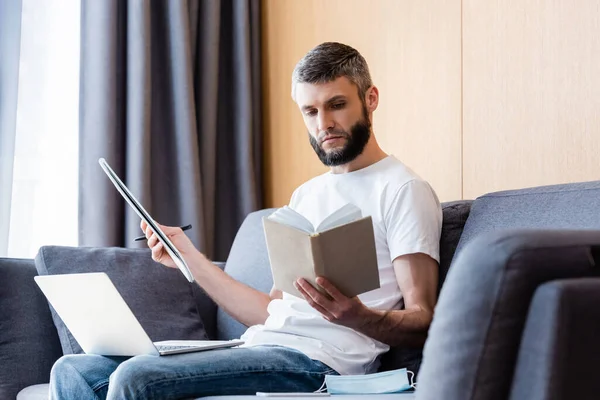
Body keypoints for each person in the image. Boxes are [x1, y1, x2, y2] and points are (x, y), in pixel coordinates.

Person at [49, 42, 442, 400]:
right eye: (310, 110)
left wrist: (359, 316)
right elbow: (271, 310)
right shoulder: (307, 195)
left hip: (320, 364)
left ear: (370, 99)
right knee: (75, 370)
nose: (324, 123)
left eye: (336, 104)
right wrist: (188, 257)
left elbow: (423, 319)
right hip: (263, 345)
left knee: (138, 378)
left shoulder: (402, 189)